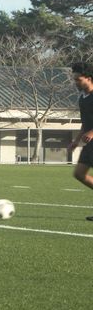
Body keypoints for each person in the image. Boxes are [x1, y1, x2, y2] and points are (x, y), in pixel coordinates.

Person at [67, 62, 93, 220]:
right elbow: (86, 123)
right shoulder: (83, 98)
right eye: (74, 79)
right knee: (79, 174)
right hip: (89, 142)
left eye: (78, 79)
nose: (75, 82)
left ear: (89, 79)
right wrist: (76, 141)